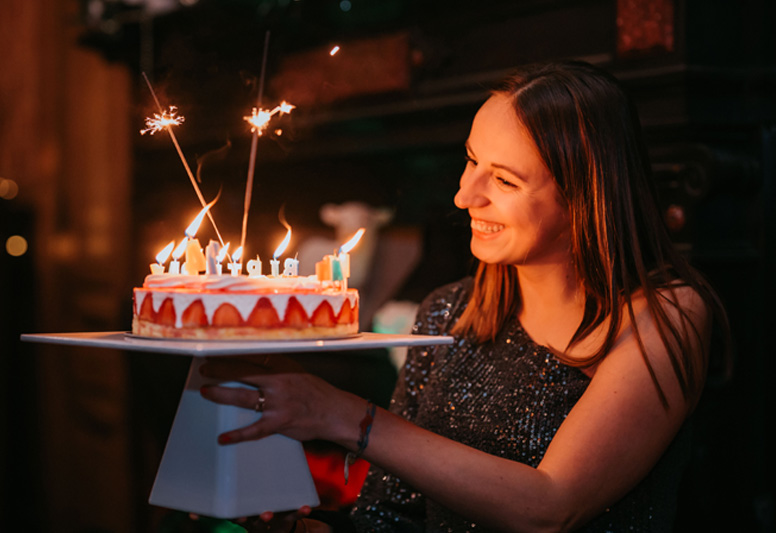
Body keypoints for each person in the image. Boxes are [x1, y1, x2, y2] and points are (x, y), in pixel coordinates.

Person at [199, 61, 728, 532]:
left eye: (503, 179)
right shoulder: (448, 311)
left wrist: (338, 414)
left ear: (584, 195)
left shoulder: (668, 314)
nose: (464, 195)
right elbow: (392, 517)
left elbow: (551, 508)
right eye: (471, 160)